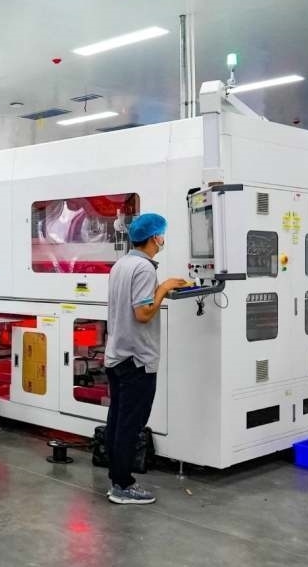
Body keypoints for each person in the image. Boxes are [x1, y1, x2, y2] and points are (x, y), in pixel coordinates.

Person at [103, 212, 187, 505]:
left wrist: (160, 288)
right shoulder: (143, 268)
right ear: (154, 238)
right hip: (136, 360)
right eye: (162, 234)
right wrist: (164, 287)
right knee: (130, 424)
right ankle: (122, 486)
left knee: (117, 420)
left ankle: (116, 477)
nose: (163, 239)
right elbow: (142, 313)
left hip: (117, 355)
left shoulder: (122, 264)